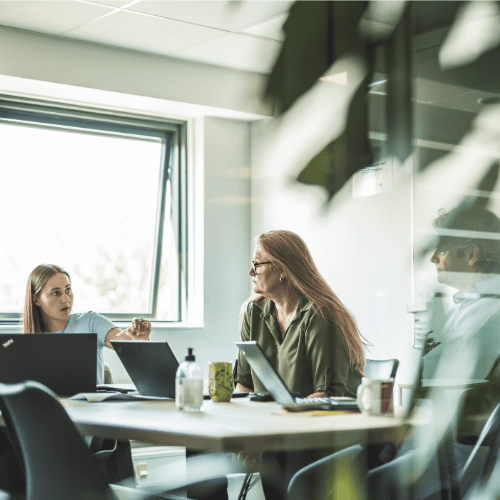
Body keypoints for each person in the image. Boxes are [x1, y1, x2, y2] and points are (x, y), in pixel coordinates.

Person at [287, 206, 500, 500]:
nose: (433, 258)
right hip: (422, 441)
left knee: (319, 484)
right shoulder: (469, 308)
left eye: (442, 249)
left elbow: (448, 395)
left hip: (449, 453)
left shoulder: (491, 314)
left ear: (472, 254)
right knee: (305, 479)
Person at [234, 230, 367, 500]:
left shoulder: (320, 314)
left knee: (277, 457)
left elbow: (325, 396)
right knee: (206, 455)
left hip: (326, 437)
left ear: (282, 270)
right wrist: (247, 432)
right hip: (279, 435)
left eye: (257, 264)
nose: (252, 272)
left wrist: (263, 436)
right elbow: (244, 385)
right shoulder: (254, 312)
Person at [23, 263, 151, 385]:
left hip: (91, 407)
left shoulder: (90, 322)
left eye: (68, 290)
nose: (65, 299)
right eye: (56, 293)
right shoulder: (25, 345)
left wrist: (139, 338)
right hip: (52, 407)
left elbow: (124, 342)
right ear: (36, 299)